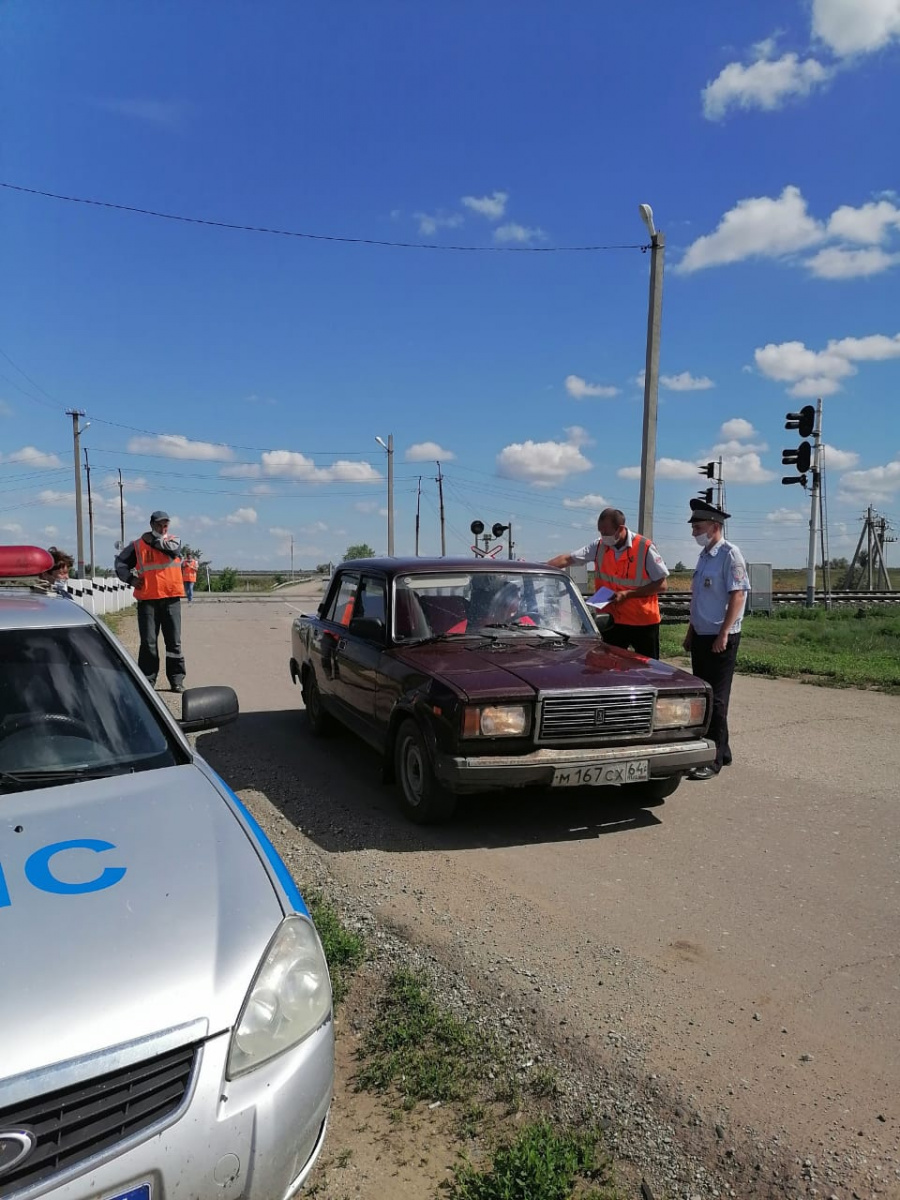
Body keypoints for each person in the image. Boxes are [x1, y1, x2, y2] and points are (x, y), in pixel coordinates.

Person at [682, 497, 750, 780]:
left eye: (697, 526)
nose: (694, 532)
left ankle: (713, 759)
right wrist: (691, 630)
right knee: (708, 696)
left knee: (718, 699)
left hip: (721, 637)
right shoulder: (704, 556)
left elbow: (738, 595)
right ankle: (724, 749)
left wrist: (723, 633)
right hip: (702, 634)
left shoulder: (730, 555)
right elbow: (699, 598)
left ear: (714, 525)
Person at [547, 506, 669, 658]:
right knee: (608, 665)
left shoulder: (645, 547)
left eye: (606, 531)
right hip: (611, 621)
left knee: (647, 669)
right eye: (600, 531)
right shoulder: (599, 546)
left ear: (621, 529)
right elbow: (568, 559)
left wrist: (628, 594)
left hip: (643, 623)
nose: (603, 535)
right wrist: (539, 568)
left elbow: (662, 585)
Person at [115, 510, 187, 692]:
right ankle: (148, 680)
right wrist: (131, 579)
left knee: (174, 643)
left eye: (165, 525)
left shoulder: (173, 540)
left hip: (171, 598)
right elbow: (120, 564)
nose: (163, 528)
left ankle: (176, 680)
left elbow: (172, 550)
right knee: (148, 643)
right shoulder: (138, 545)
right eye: (159, 525)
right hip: (148, 600)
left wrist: (152, 540)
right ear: (152, 525)